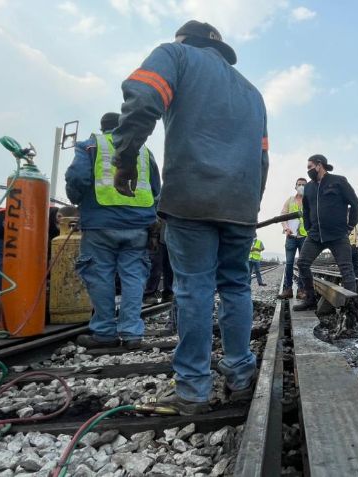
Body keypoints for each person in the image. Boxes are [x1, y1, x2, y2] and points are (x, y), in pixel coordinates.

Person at [110, 20, 267, 415]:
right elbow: (262, 158)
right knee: (235, 286)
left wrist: (125, 158)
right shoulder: (254, 93)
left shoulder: (175, 55)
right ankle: (240, 376)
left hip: (191, 196)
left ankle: (194, 389)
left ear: (187, 39)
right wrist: (251, 203)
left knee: (194, 288)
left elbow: (143, 97)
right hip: (241, 205)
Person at [65, 112, 161, 350]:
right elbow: (156, 188)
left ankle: (105, 332)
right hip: (138, 226)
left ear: (102, 127)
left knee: (100, 276)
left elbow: (77, 178)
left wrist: (78, 200)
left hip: (100, 223)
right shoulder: (144, 152)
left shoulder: (89, 145)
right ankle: (131, 333)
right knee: (133, 277)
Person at [292, 154, 358, 311]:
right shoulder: (309, 187)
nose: (308, 170)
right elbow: (307, 209)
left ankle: (351, 307)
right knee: (302, 263)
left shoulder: (338, 181)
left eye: (310, 167)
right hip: (315, 235)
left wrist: (350, 225)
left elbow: (355, 203)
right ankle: (310, 299)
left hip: (337, 235)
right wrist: (309, 228)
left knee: (346, 269)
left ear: (319, 165)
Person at [278, 178, 308, 299]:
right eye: (299, 184)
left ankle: (301, 290)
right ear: (295, 187)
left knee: (302, 264)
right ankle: (288, 289)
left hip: (305, 236)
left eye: (304, 185)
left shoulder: (309, 201)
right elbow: (282, 215)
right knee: (289, 263)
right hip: (291, 236)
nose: (301, 186)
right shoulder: (290, 200)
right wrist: (286, 228)